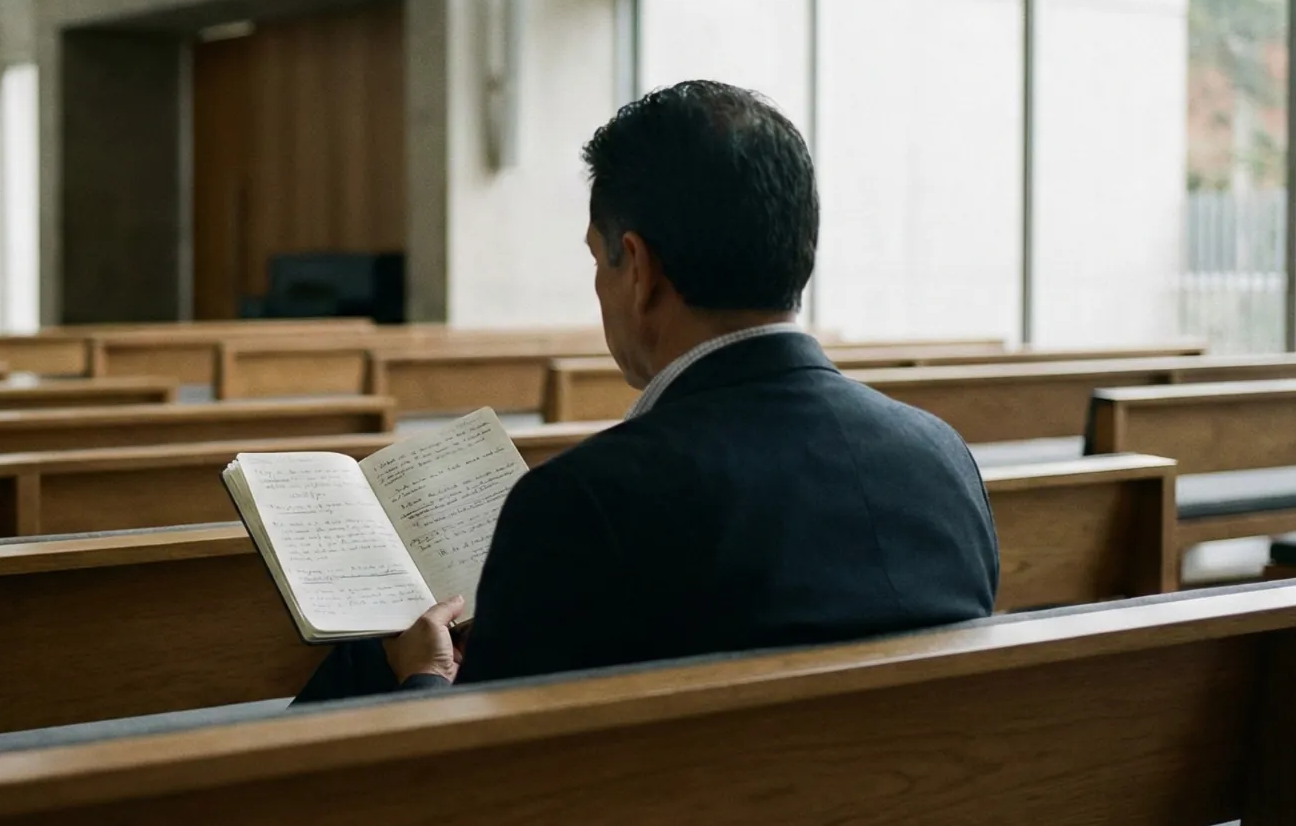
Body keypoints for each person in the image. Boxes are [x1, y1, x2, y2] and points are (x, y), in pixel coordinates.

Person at [293, 80, 997, 702]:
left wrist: (423, 678)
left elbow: (477, 781)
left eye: (596, 258)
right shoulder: (941, 457)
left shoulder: (584, 500)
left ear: (636, 267)